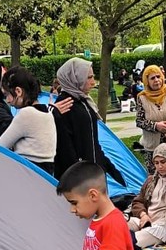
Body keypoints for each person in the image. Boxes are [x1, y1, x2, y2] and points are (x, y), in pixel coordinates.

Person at [51, 57, 124, 186]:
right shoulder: (65, 105)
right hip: (79, 179)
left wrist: (109, 168)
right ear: (75, 79)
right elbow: (65, 148)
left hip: (94, 173)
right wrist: (80, 177)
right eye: (89, 78)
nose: (93, 83)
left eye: (93, 77)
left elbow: (92, 141)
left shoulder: (83, 101)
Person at [0, 68, 57, 172]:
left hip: (27, 170)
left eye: (7, 95)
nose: (7, 100)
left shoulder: (27, 114)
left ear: (18, 91)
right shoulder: (47, 112)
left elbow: (0, 147)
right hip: (45, 171)